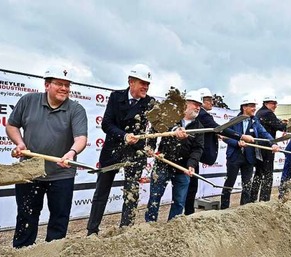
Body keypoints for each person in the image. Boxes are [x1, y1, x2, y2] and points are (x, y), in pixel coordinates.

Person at [6, 66, 88, 248]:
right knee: (26, 216)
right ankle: (21, 254)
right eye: (59, 84)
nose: (64, 88)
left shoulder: (76, 109)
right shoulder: (28, 101)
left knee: (59, 218)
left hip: (61, 174)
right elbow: (12, 126)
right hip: (29, 171)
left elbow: (81, 138)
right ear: (47, 85)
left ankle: (54, 254)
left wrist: (72, 152)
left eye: (67, 85)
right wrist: (20, 143)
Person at [86, 64, 154, 236]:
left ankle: (125, 231)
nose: (145, 87)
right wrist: (124, 136)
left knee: (131, 193)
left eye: (148, 84)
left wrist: (151, 146)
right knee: (102, 191)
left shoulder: (150, 103)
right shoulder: (116, 97)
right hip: (113, 150)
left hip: (136, 152)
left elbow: (159, 127)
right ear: (131, 82)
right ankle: (92, 230)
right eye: (142, 83)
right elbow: (106, 124)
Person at [184, 88, 252, 215]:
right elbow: (218, 128)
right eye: (209, 100)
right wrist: (240, 136)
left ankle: (189, 214)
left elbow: (213, 130)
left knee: (191, 188)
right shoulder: (202, 114)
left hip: (193, 155)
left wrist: (217, 134)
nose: (212, 103)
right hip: (190, 155)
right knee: (190, 188)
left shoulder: (202, 114)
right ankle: (188, 214)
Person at [145, 90, 204, 222]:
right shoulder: (171, 117)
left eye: (199, 104)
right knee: (154, 198)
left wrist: (191, 164)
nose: (198, 107)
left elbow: (198, 149)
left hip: (182, 168)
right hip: (163, 163)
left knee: (179, 202)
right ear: (185, 104)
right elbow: (156, 128)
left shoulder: (199, 127)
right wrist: (151, 146)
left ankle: (173, 226)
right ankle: (149, 225)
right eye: (195, 103)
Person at [220, 96, 280, 209]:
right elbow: (225, 136)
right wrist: (237, 143)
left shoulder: (255, 121)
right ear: (244, 107)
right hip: (234, 157)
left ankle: (244, 209)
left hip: (249, 158)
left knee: (247, 185)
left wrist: (273, 144)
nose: (254, 108)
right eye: (252, 106)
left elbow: (264, 133)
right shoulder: (234, 121)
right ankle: (224, 208)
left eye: (254, 106)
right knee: (229, 184)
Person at [250, 95, 287, 202]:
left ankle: (253, 199)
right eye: (273, 103)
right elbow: (280, 127)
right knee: (267, 174)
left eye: (276, 103)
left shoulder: (260, 113)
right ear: (266, 103)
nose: (275, 105)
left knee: (258, 173)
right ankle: (265, 200)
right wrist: (288, 124)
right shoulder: (267, 113)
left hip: (260, 147)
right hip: (266, 148)